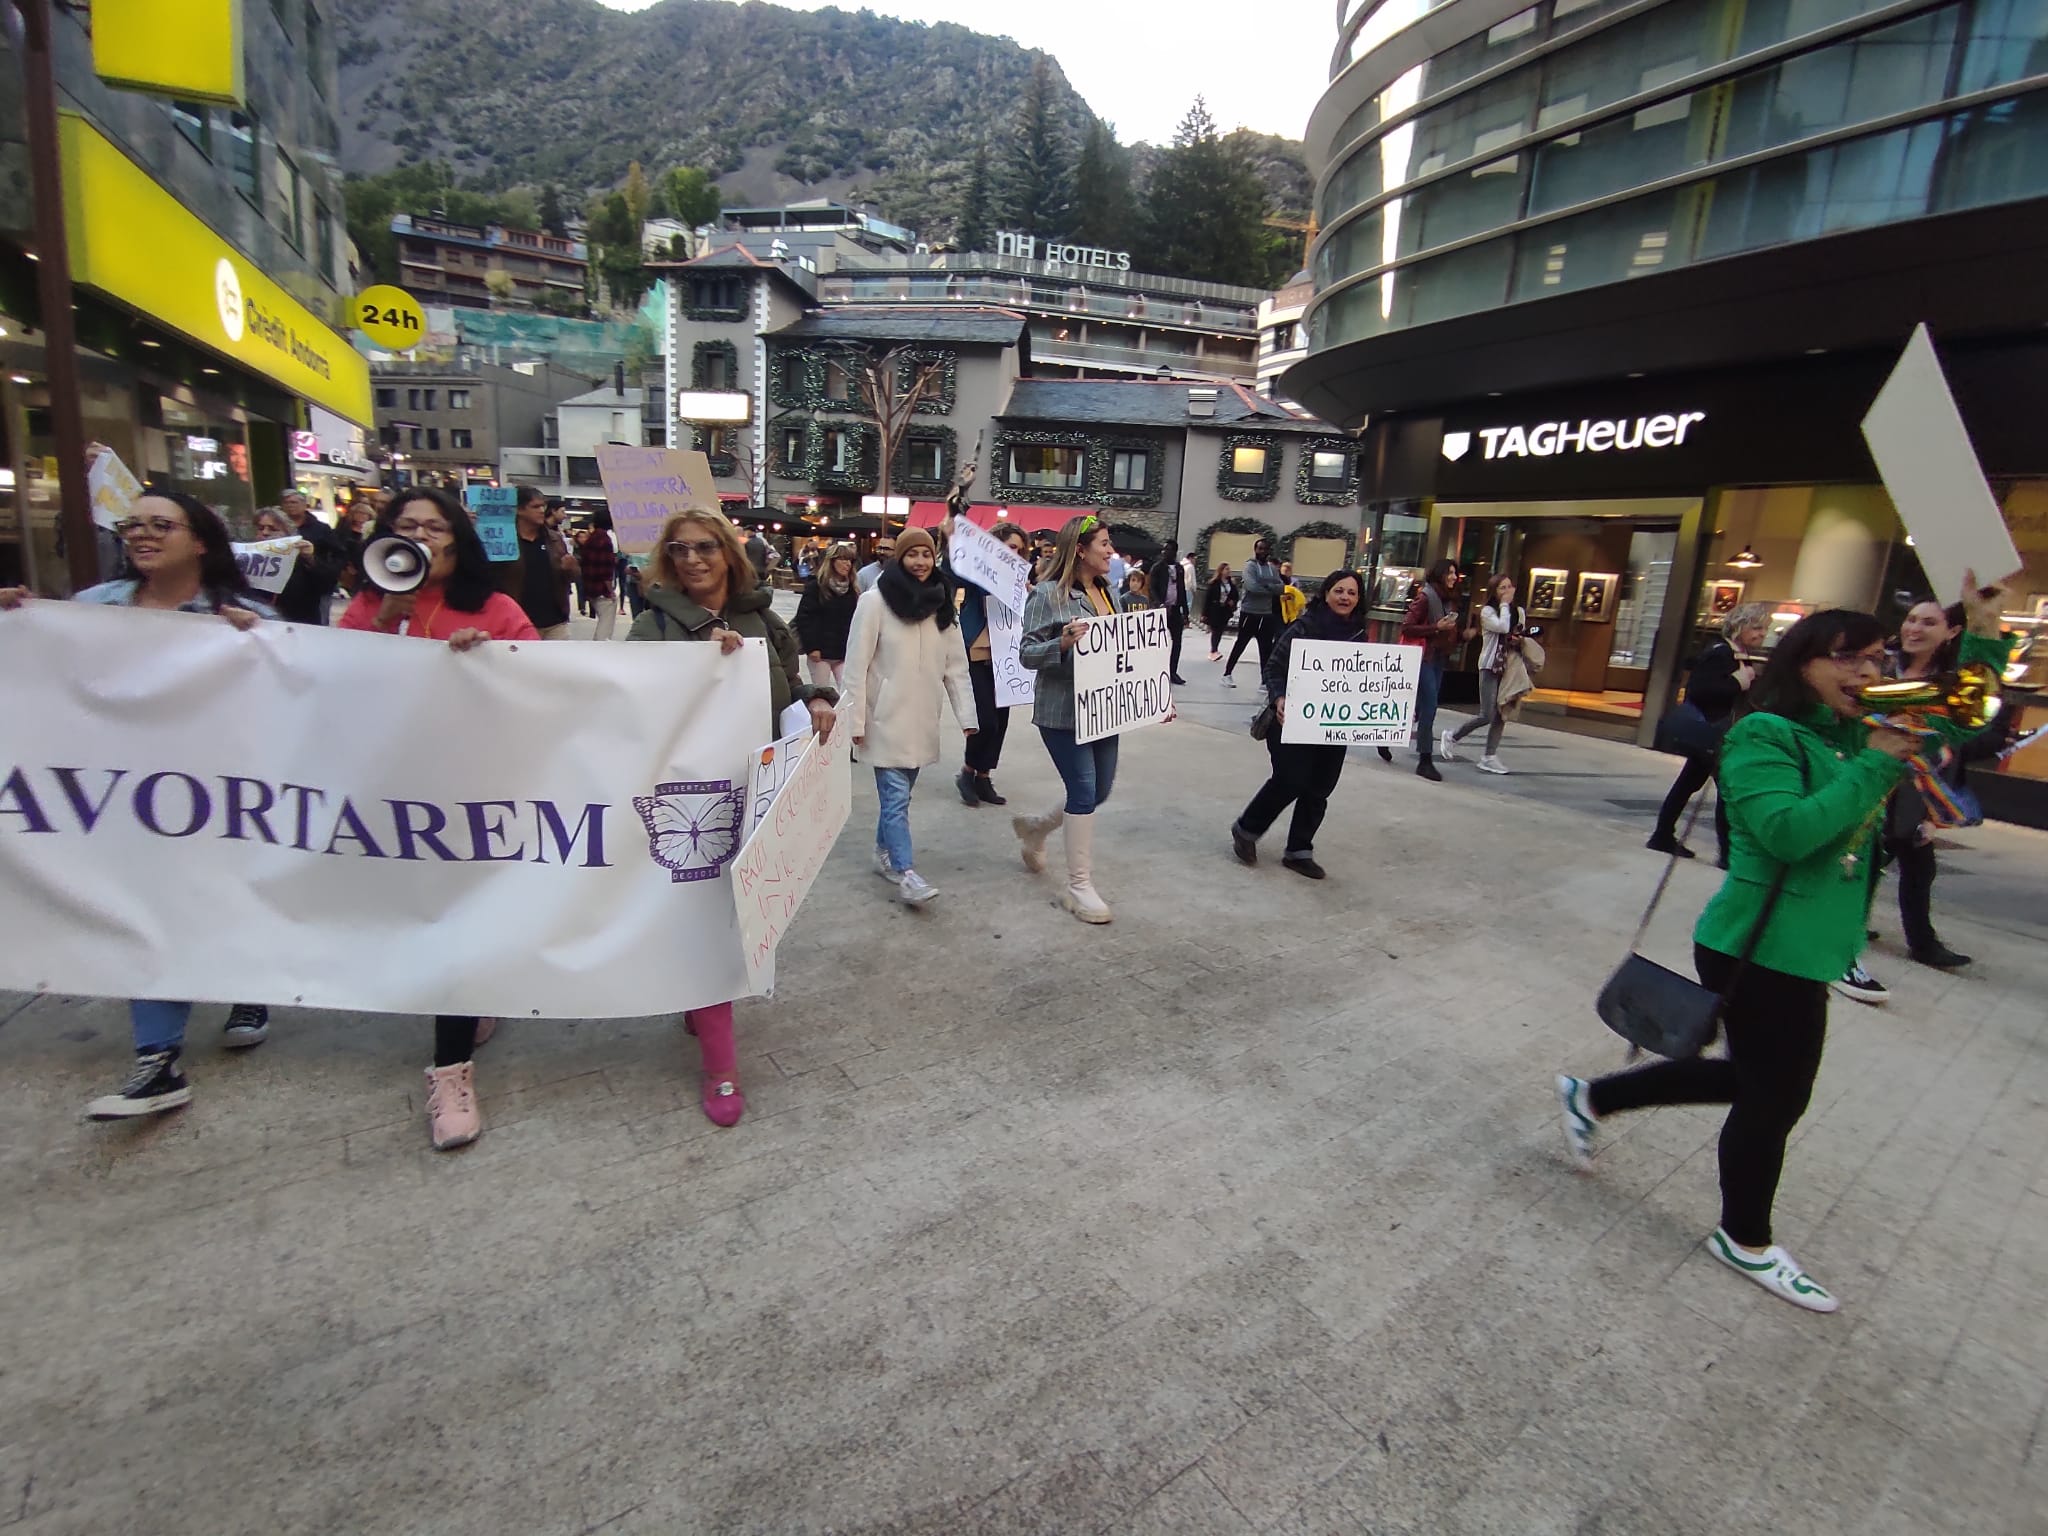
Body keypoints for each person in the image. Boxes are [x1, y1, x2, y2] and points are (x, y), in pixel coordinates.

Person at [1557, 579, 2013, 1313]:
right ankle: (1745, 1237)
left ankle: (1594, 1096)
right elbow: (1787, 834)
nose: (1868, 674)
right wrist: (1878, 761)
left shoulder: (1862, 722)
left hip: (1807, 949)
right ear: (1804, 661)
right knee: (1774, 1098)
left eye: (1876, 659)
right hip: (1759, 948)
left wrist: (1987, 630)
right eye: (1849, 660)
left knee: (1758, 1083)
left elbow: (1964, 719)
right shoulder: (1763, 734)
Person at [1, 491, 276, 1119]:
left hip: (220, 790)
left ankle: (247, 985)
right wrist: (18, 625)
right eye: (133, 525)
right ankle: (158, 1056)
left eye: (161, 525)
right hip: (127, 793)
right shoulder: (89, 611)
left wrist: (260, 643)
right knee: (145, 903)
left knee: (219, 891)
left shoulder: (243, 612)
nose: (142, 535)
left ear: (200, 540)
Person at [338, 488, 541, 1148]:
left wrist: (493, 665)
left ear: (458, 539)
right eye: (406, 527)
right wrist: (384, 622)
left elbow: (548, 689)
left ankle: (451, 1070)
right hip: (395, 791)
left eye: (434, 526)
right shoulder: (369, 607)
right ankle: (470, 998)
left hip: (476, 790)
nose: (421, 537)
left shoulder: (496, 609)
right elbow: (327, 682)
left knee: (456, 917)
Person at [627, 506, 838, 1125]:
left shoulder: (765, 620)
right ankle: (721, 1069)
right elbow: (628, 703)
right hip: (689, 801)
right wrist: (700, 668)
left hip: (756, 793)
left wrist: (818, 699)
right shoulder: (651, 626)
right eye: (680, 549)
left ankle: (699, 1004)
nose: (692, 559)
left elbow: (788, 693)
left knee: (732, 917)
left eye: (705, 548)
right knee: (711, 924)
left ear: (728, 554)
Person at [839, 528, 977, 905]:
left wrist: (967, 716)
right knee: (896, 800)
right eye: (912, 554)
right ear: (899, 558)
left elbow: (956, 667)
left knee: (900, 798)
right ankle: (906, 872)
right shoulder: (873, 602)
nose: (920, 562)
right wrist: (853, 720)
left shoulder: (942, 605)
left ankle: (883, 852)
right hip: (883, 719)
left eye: (926, 555)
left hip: (922, 719)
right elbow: (856, 665)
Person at [1873, 598, 1999, 976]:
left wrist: (1933, 813)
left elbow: (1963, 738)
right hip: (1870, 780)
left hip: (1914, 792)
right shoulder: (1880, 665)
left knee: (1915, 865)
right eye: (1911, 619)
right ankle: (1851, 932)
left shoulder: (1950, 681)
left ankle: (1922, 942)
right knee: (1866, 861)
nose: (1914, 629)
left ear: (1952, 632)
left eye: (1928, 622)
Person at [1016, 514, 1129, 924]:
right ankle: (1079, 887)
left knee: (1099, 791)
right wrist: (1060, 644)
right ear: (1080, 549)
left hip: (1105, 709)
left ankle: (1037, 828)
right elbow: (1027, 654)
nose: (1110, 551)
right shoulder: (1047, 594)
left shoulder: (1109, 592)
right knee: (1083, 791)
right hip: (1063, 711)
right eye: (1104, 543)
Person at [1229, 568, 1368, 879]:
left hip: (1332, 726)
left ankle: (1299, 851)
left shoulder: (1360, 633)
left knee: (1320, 787)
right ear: (1327, 593)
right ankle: (1247, 829)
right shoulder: (1304, 628)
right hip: (1290, 722)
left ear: (1358, 600)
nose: (1345, 597)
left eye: (1351, 593)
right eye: (1339, 591)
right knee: (1290, 779)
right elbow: (1274, 668)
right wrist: (1279, 698)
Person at [1648, 602, 1770, 861]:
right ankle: (1726, 853)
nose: (1762, 634)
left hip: (1714, 733)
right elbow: (1701, 691)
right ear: (1740, 626)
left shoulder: (1736, 653)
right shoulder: (1722, 653)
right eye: (1757, 627)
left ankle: (1663, 835)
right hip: (1712, 732)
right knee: (1726, 791)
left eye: (1764, 628)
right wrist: (1738, 682)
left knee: (1690, 785)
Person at [937, 475, 1028, 807]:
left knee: (1000, 723)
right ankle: (966, 771)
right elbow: (952, 563)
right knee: (984, 720)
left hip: (1009, 658)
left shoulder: (1023, 584)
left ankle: (984, 777)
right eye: (1008, 546)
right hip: (977, 654)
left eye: (1019, 549)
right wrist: (958, 500)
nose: (1013, 552)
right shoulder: (978, 575)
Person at [1444, 572, 1531, 774]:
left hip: (1509, 666)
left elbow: (1518, 631)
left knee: (1501, 714)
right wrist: (1504, 605)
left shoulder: (1518, 611)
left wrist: (1520, 639)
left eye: (1509, 586)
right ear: (1494, 592)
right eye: (1502, 588)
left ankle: (1489, 756)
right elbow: (1502, 627)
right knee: (1487, 714)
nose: (1507, 591)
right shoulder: (1488, 612)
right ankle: (1453, 735)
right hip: (1490, 666)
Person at [1399, 558, 1464, 781]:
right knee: (1430, 706)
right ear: (1439, 574)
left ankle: (1387, 734)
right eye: (1450, 573)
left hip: (1438, 657)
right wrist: (1437, 627)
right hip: (1424, 656)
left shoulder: (1449, 599)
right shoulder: (1426, 596)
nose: (1454, 577)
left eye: (1455, 573)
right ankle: (1424, 759)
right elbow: (1407, 626)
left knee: (1418, 706)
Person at [500, 486, 576, 638]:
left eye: (543, 506)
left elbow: (570, 577)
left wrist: (570, 568)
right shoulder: (504, 541)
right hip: (519, 621)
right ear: (519, 510)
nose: (542, 510)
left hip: (555, 621)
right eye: (535, 506)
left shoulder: (554, 539)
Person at [250, 504, 340, 627]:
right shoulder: (248, 559)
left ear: (288, 533)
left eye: (272, 529)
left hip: (297, 627)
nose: (265, 533)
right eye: (260, 528)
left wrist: (310, 559)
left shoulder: (301, 558)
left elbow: (326, 585)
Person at [793, 540, 860, 689]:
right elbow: (805, 618)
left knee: (848, 691)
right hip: (820, 652)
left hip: (843, 651)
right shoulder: (816, 586)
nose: (847, 564)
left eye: (850, 560)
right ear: (832, 562)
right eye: (843, 559)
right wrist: (812, 647)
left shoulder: (852, 589)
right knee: (822, 693)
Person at [1221, 539, 1283, 687]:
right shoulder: (1250, 566)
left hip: (1266, 613)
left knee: (1266, 648)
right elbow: (1251, 586)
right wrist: (1270, 588)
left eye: (1265, 549)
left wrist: (1267, 586)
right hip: (1250, 612)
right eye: (1260, 549)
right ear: (1255, 550)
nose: (1262, 552)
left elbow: (1281, 587)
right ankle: (1227, 674)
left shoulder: (1271, 568)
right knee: (1241, 643)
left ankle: (1264, 680)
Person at [279, 488, 344, 624]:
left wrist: (328, 571)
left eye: (294, 502)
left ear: (304, 505)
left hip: (315, 586)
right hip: (284, 586)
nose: (290, 505)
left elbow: (339, 553)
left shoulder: (321, 529)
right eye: (287, 503)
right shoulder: (277, 528)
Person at [1148, 540, 1190, 685]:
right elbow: (1152, 588)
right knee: (1158, 642)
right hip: (1161, 609)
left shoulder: (1179, 568)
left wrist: (1185, 612)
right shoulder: (1157, 568)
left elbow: (1181, 589)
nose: (1165, 552)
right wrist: (1159, 603)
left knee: (1177, 642)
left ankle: (1173, 671)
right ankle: (1155, 669)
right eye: (1164, 549)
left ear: (1174, 551)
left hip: (1175, 610)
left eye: (1168, 549)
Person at [578, 509, 620, 641]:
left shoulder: (591, 539)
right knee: (606, 623)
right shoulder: (605, 540)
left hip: (590, 586)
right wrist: (610, 591)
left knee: (602, 619)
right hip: (601, 588)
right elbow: (605, 569)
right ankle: (601, 647)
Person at [1202, 563, 1240, 661]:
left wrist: (1233, 602)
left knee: (1220, 630)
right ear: (1221, 571)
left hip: (1225, 610)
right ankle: (1213, 651)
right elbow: (1207, 599)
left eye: (1229, 569)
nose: (1228, 571)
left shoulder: (1231, 583)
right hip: (1215, 609)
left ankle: (1214, 649)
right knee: (1216, 630)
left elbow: (1235, 595)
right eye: (1226, 569)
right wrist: (1204, 613)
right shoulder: (1214, 583)